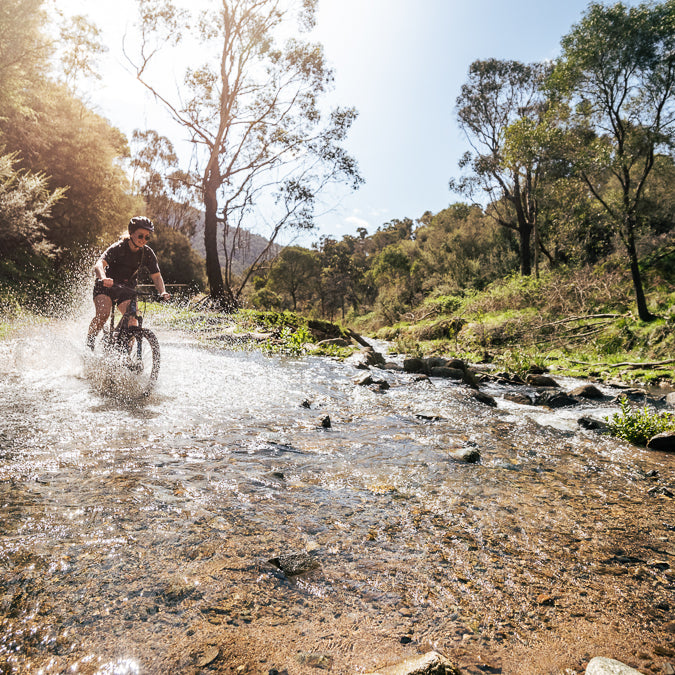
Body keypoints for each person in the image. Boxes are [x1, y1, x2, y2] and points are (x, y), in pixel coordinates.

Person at [86, 216, 171, 350]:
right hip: (106, 286)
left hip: (126, 289)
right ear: (131, 233)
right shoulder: (118, 248)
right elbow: (99, 264)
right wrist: (103, 278)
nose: (143, 240)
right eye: (140, 236)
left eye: (147, 237)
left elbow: (156, 276)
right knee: (103, 314)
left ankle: (126, 356)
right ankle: (89, 343)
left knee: (133, 322)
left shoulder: (147, 253)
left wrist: (163, 292)